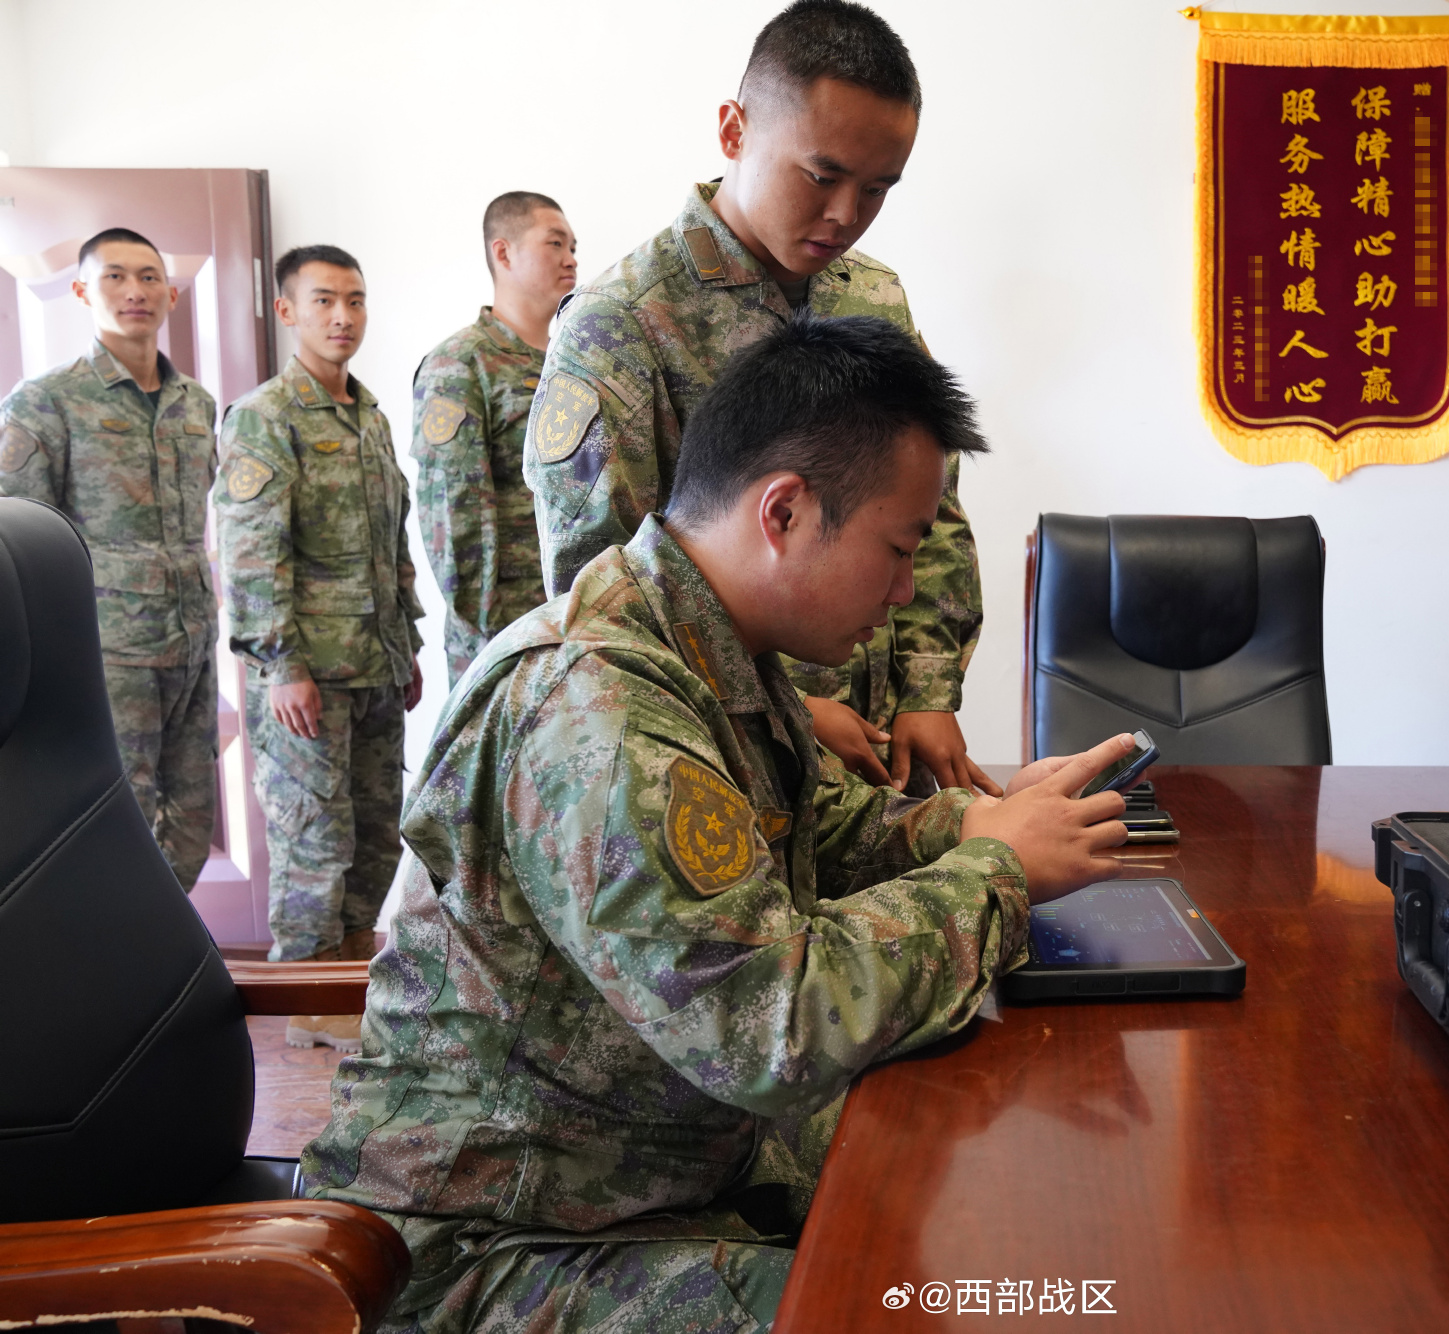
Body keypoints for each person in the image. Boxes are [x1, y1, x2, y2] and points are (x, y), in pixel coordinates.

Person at [304, 314, 1133, 1334]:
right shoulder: (596, 705)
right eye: (897, 548)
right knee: (909, 1304)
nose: (906, 589)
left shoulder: (703, 645)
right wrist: (997, 869)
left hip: (658, 1164)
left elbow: (823, 831)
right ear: (784, 510)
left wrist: (979, 821)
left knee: (983, 1195)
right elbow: (774, 1027)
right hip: (494, 1242)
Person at [523, 0, 995, 798]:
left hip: (881, 749)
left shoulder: (873, 295)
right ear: (734, 130)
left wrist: (927, 689)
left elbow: (928, 509)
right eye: (822, 176)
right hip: (717, 755)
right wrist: (792, 711)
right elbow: (599, 602)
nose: (845, 215)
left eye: (877, 188)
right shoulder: (619, 325)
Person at [213, 244, 423, 1052]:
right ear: (287, 310)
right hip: (307, 679)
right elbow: (251, 551)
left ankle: (348, 993)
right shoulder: (265, 416)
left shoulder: (369, 415)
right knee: (314, 845)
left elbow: (392, 544)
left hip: (374, 668)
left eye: (356, 301)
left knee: (374, 841)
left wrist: (406, 643)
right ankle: (304, 1009)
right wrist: (282, 666)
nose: (344, 317)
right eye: (325, 300)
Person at [0, 228, 218, 891]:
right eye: (115, 277)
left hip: (192, 646)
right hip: (106, 653)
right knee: (116, 822)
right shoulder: (47, 402)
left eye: (149, 277)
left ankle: (171, 941)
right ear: (80, 292)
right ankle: (118, 949)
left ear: (171, 294)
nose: (135, 291)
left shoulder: (196, 404)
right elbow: (18, 542)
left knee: (192, 821)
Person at [412, 192, 577, 684]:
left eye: (573, 247)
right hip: (506, 634)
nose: (571, 259)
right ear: (503, 253)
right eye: (555, 243)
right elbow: (454, 516)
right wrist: (493, 635)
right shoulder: (460, 364)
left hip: (576, 619)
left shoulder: (574, 358)